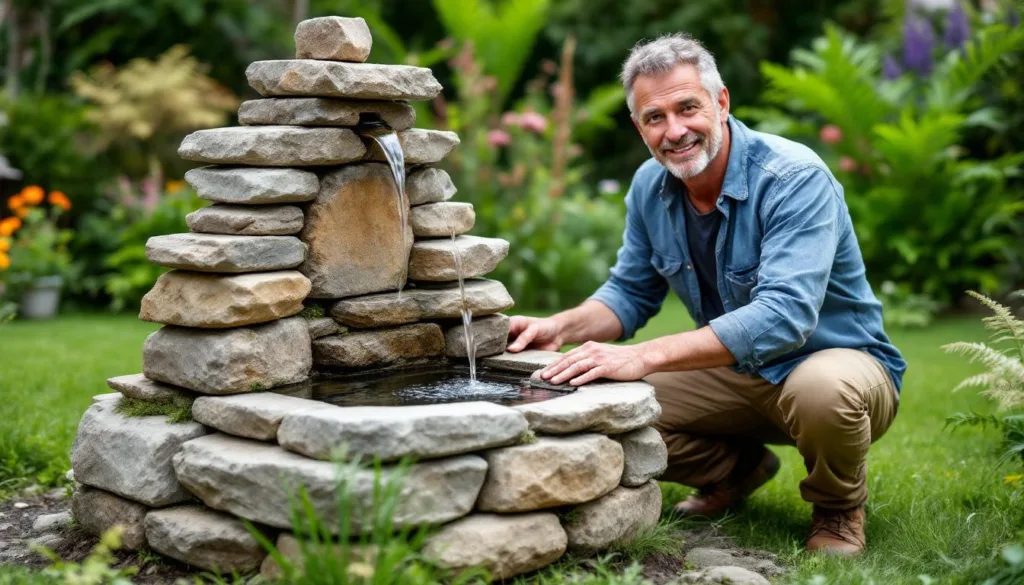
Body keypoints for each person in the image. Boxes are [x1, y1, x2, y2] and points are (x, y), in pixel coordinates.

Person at [505, 33, 906, 557]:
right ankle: (736, 470)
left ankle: (837, 507)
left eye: (687, 107)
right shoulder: (650, 187)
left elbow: (785, 317)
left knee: (822, 392)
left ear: (721, 102)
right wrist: (560, 328)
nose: (674, 131)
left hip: (835, 362)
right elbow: (629, 291)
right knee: (589, 401)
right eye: (655, 117)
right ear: (638, 127)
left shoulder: (793, 177)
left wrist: (645, 355)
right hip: (736, 373)